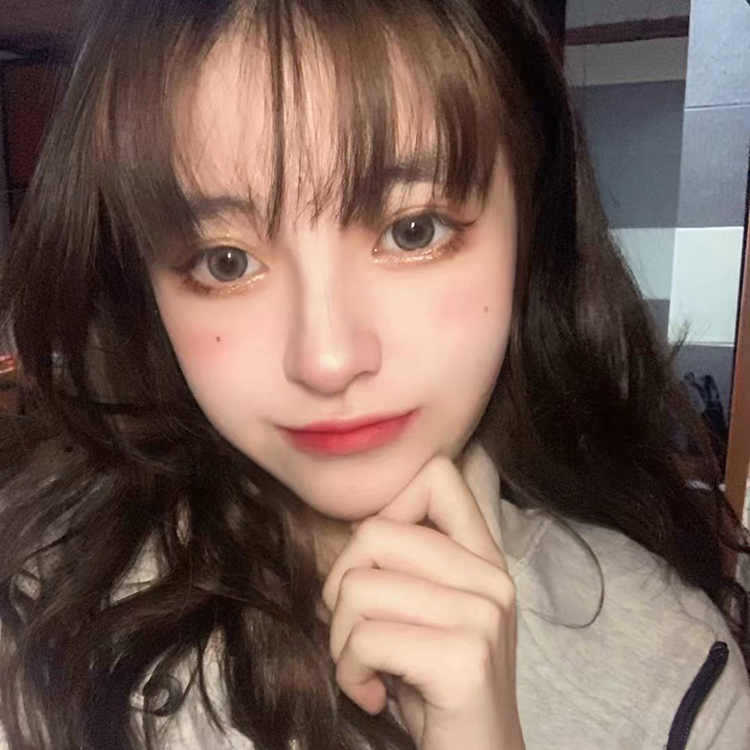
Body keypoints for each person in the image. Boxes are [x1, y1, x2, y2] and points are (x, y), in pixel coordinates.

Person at [0, 0, 748, 748]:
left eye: (412, 230)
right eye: (225, 262)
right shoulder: (36, 625)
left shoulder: (677, 673)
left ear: (529, 226)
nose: (326, 362)